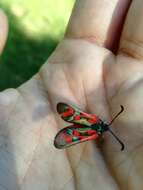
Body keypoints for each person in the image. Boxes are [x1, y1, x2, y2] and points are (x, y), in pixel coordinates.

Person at [0, 0, 142, 189]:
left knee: (79, 129)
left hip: (82, 127)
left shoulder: (96, 125)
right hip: (83, 129)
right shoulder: (97, 128)